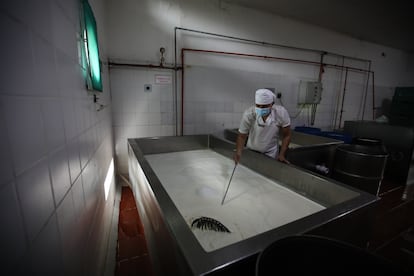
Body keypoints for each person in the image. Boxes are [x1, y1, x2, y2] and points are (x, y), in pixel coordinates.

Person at [234, 88, 291, 164]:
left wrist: (282, 155)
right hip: (251, 151)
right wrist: (238, 152)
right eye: (258, 106)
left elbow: (287, 135)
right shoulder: (249, 114)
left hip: (271, 154)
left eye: (264, 106)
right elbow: (242, 136)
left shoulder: (281, 113)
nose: (260, 109)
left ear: (272, 104)